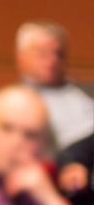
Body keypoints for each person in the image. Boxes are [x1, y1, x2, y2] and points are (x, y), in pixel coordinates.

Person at [15, 21, 94, 151]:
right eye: (42, 53)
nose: (53, 60)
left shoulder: (88, 91)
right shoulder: (11, 102)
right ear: (21, 57)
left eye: (59, 54)